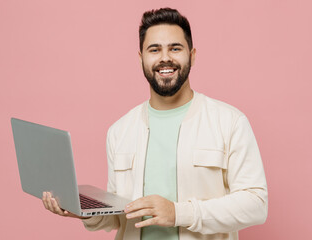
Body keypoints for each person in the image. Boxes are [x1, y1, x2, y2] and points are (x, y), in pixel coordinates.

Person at [42, 8, 268, 240]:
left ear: (192, 55)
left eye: (175, 48)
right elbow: (119, 216)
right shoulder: (120, 131)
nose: (165, 58)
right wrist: (82, 211)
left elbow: (256, 204)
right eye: (154, 49)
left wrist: (179, 213)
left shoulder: (230, 122)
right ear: (141, 58)